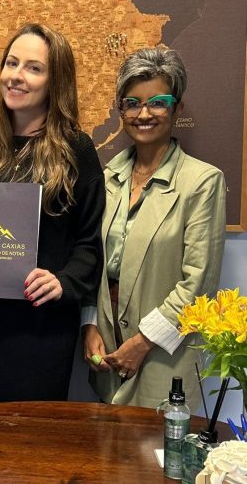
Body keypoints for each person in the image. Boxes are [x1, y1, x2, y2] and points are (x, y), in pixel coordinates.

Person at [0, 23, 105, 406]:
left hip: (41, 332)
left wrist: (63, 282)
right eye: (11, 63)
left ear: (55, 81)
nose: (16, 75)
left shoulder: (77, 150)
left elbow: (89, 244)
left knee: (32, 437)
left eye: (33, 68)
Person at [82, 47, 226, 410]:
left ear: (177, 109)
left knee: (157, 444)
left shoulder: (202, 182)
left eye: (157, 103)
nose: (143, 114)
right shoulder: (107, 178)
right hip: (108, 349)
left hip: (164, 355)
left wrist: (143, 342)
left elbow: (198, 284)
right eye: (132, 104)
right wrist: (89, 324)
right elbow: (92, 260)